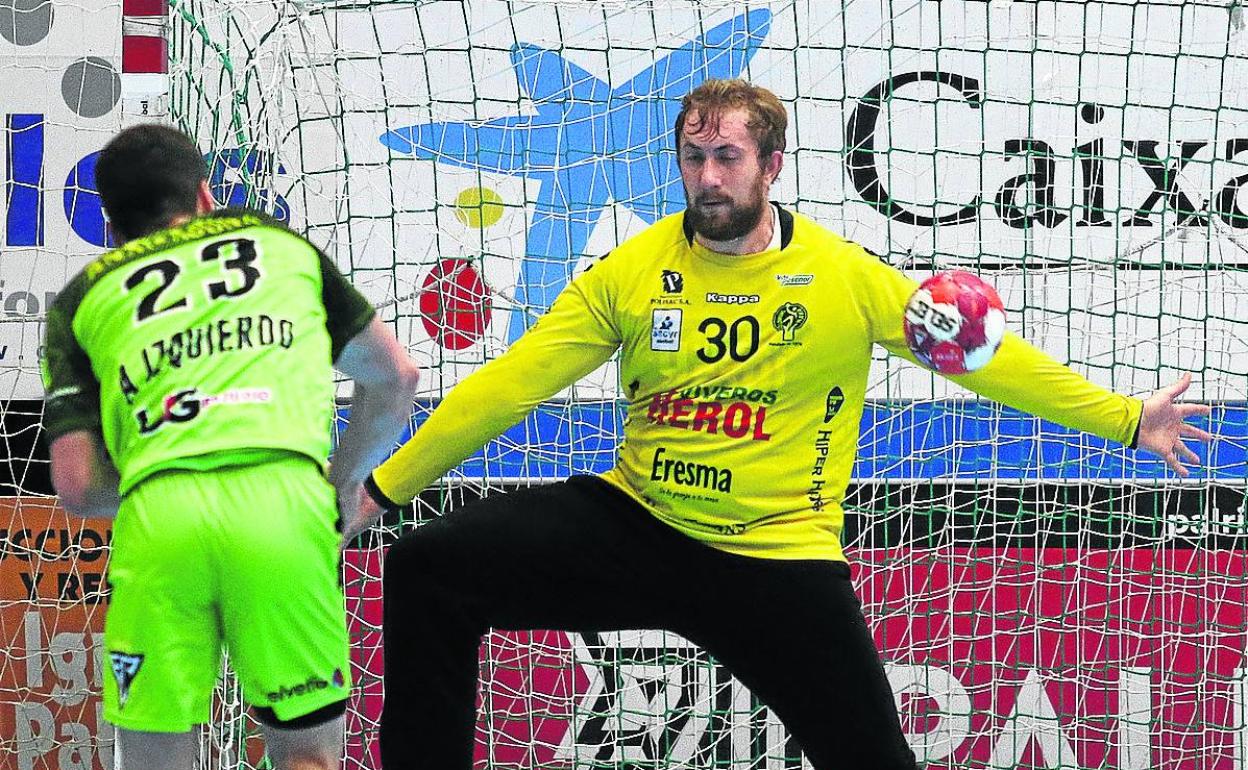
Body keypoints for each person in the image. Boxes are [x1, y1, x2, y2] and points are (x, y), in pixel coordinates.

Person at [347, 79, 1211, 769]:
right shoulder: (631, 273)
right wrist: (384, 485)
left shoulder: (845, 279)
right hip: (637, 522)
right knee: (430, 569)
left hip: (774, 555)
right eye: (693, 158)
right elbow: (506, 387)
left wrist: (1129, 421)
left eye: (727, 156)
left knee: (873, 758)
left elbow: (993, 364)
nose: (709, 177)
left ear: (772, 166)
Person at [42, 124, 420, 770]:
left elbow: (76, 486)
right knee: (306, 754)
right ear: (206, 196)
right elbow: (396, 378)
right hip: (283, 505)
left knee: (156, 756)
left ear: (110, 225)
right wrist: (341, 479)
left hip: (161, 523)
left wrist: (156, 481)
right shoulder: (277, 245)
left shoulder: (84, 296)